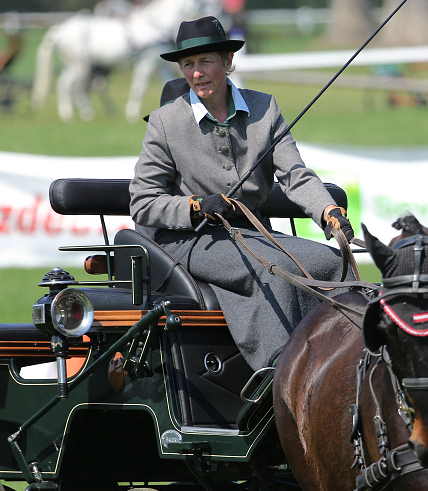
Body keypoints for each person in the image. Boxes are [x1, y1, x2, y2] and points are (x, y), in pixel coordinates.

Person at [130, 16, 355, 372]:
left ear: (228, 62)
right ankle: (278, 375)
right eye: (188, 64)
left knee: (330, 262)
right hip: (190, 238)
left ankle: (342, 367)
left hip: (252, 230)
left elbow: (295, 174)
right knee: (275, 269)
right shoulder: (165, 122)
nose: (197, 73)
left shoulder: (265, 109)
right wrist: (195, 206)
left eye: (206, 62)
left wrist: (328, 211)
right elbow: (143, 201)